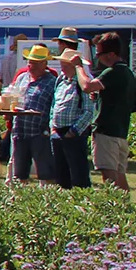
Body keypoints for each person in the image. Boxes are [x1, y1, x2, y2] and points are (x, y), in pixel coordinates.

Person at [9, 44, 58, 184]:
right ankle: (19, 201)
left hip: (40, 132)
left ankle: (47, 201)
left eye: (36, 63)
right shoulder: (22, 78)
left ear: (45, 64)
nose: (32, 66)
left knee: (46, 173)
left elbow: (55, 107)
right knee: (19, 173)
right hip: (20, 130)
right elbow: (13, 96)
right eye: (30, 62)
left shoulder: (52, 82)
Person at [91, 32, 135, 190]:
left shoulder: (113, 72)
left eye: (99, 54)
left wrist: (78, 67)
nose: (98, 58)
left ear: (110, 54)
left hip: (107, 131)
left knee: (109, 175)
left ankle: (114, 209)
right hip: (121, 131)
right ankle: (124, 209)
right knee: (119, 174)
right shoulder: (128, 73)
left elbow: (87, 86)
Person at [49, 48, 96, 188]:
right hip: (57, 132)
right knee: (60, 171)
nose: (62, 67)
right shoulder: (60, 80)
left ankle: (80, 199)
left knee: (78, 172)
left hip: (74, 133)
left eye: (66, 64)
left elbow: (89, 111)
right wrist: (52, 126)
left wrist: (74, 131)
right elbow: (54, 105)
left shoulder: (84, 83)